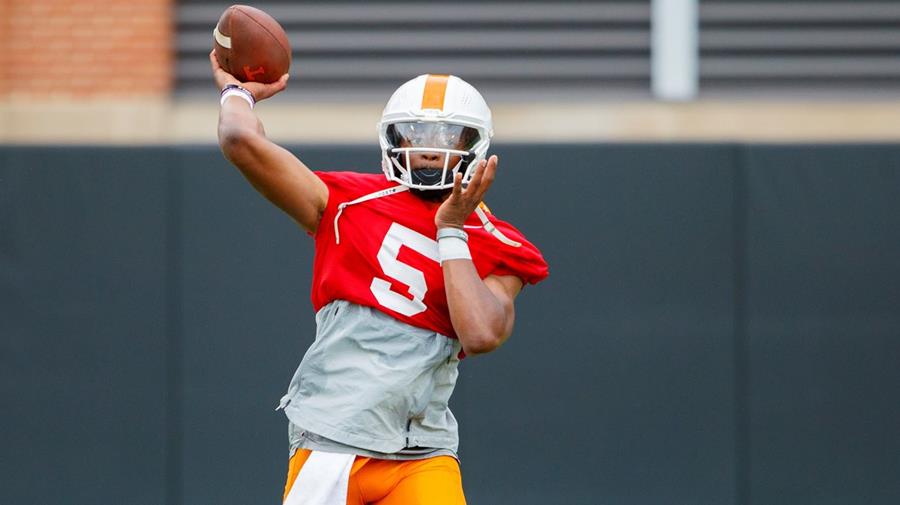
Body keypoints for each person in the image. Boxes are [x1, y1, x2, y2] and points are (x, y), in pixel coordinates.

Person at [211, 51, 548, 505]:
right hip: (331, 440)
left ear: (477, 144)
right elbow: (239, 140)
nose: (431, 147)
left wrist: (451, 233)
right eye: (417, 132)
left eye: (449, 134)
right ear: (392, 138)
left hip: (421, 453)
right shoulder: (346, 203)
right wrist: (238, 93)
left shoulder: (494, 239)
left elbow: (482, 333)